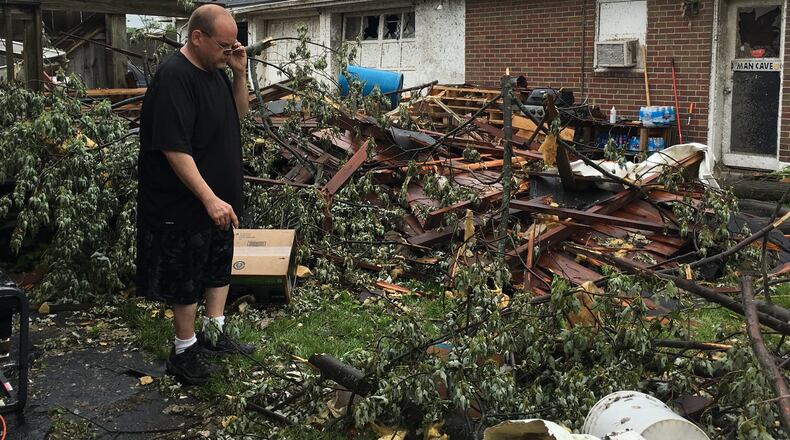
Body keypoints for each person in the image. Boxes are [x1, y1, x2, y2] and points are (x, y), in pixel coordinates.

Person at [136, 4, 254, 385]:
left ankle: (214, 334)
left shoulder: (217, 71)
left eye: (233, 44)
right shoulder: (175, 77)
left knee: (218, 264)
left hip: (219, 196)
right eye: (224, 45)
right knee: (185, 275)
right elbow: (174, 149)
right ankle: (184, 351)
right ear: (197, 37)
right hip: (182, 201)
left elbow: (239, 115)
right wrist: (207, 197)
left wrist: (239, 74)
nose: (229, 51)